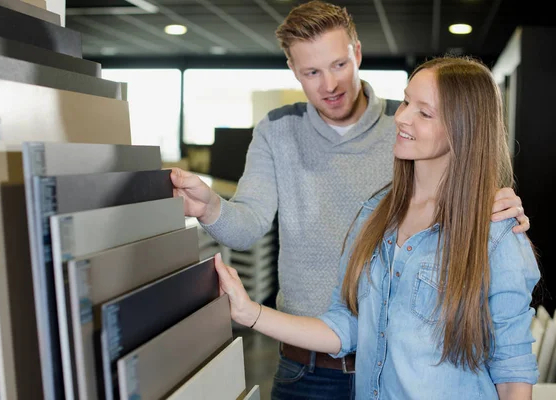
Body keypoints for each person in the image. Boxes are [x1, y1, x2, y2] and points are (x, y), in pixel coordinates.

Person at [170, 2, 530, 398]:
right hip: (309, 362)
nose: (329, 85)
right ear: (294, 71)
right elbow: (250, 222)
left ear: (357, 52)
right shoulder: (286, 137)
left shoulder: (406, 128)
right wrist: (210, 208)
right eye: (312, 72)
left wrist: (493, 206)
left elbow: (468, 177)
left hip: (398, 367)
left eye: (339, 65)